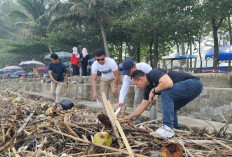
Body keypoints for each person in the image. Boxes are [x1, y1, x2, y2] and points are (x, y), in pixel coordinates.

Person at [124, 69, 203, 138]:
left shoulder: (153, 73)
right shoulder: (148, 88)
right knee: (172, 106)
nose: (137, 87)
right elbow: (142, 106)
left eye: (136, 84)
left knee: (166, 92)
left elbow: (168, 83)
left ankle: (167, 127)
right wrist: (129, 117)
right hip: (189, 89)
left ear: (140, 79)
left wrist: (154, 91)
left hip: (194, 84)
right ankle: (176, 129)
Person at [115, 58, 156, 124]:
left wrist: (153, 92)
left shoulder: (144, 67)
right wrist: (121, 101)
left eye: (128, 72)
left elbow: (154, 78)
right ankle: (137, 120)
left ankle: (153, 121)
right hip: (139, 86)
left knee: (153, 101)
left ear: (134, 67)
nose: (128, 74)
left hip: (151, 84)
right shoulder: (127, 76)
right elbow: (124, 87)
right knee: (137, 101)